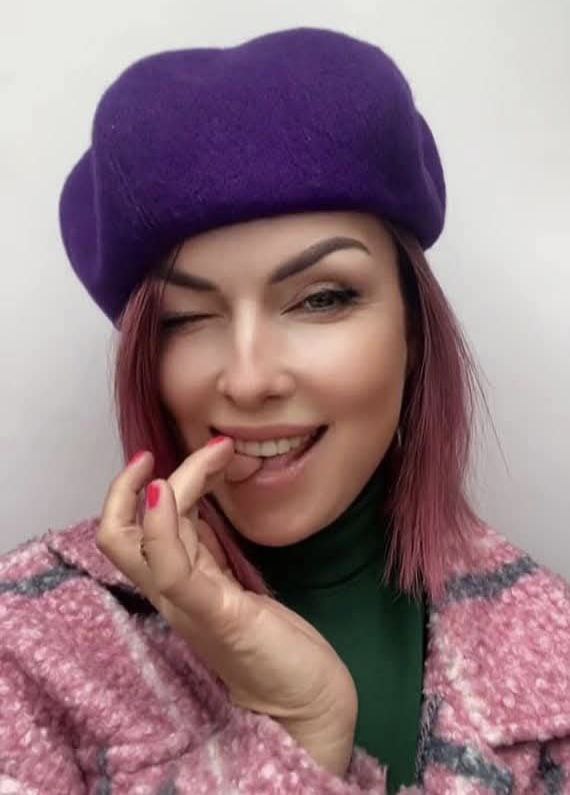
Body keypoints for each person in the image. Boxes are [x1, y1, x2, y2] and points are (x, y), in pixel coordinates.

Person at [0, 26, 568, 795]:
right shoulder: (25, 646)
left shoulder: (551, 646)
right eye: (186, 318)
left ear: (411, 328)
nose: (249, 378)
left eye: (322, 298)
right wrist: (299, 728)